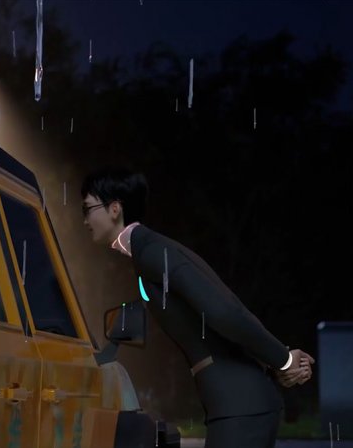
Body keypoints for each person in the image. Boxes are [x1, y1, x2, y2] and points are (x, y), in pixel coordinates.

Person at [81, 166, 314, 448]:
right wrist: (278, 359)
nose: (85, 219)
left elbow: (225, 311)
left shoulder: (153, 252)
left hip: (240, 406)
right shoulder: (146, 254)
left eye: (88, 208)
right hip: (234, 404)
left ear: (114, 209)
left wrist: (283, 359)